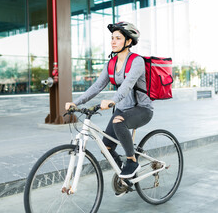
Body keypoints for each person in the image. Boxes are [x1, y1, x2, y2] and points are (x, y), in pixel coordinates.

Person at [65, 21, 153, 179]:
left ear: (129, 41)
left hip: (142, 109)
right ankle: (125, 176)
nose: (113, 41)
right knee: (106, 147)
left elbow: (126, 86)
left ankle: (132, 162)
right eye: (112, 38)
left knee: (118, 121)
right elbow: (97, 86)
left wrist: (112, 100)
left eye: (118, 38)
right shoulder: (111, 64)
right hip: (122, 110)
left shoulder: (137, 61)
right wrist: (76, 102)